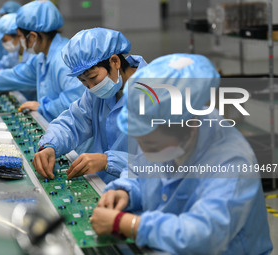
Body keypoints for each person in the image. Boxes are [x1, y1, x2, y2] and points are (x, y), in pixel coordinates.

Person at [90, 54, 273, 254]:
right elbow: (143, 175)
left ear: (191, 124)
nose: (144, 148)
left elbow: (203, 234)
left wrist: (128, 224)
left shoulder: (232, 162)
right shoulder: (166, 130)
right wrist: (124, 192)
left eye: (150, 142)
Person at [33, 28, 147, 184]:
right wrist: (50, 145)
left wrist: (109, 161)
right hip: (105, 187)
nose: (91, 87)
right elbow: (73, 121)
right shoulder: (98, 91)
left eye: (93, 78)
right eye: (83, 81)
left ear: (115, 61)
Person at [0, 0, 85, 122]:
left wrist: (44, 108)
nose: (21, 42)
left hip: (79, 145)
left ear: (32, 36)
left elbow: (76, 100)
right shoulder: (42, 57)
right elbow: (17, 75)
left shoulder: (64, 58)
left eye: (21, 36)